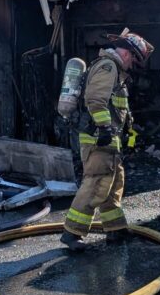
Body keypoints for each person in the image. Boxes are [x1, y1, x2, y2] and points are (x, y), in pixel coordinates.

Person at [60, 29, 154, 251]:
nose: (133, 65)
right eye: (134, 59)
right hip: (98, 139)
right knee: (96, 183)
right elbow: (95, 100)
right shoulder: (108, 66)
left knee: (113, 184)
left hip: (110, 141)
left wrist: (127, 129)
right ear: (128, 53)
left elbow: (117, 108)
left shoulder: (117, 72)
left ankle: (115, 228)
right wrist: (103, 128)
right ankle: (72, 233)